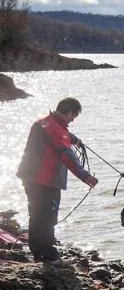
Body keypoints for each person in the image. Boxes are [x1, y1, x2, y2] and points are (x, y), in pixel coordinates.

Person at [16, 97, 98, 264]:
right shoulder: (58, 130)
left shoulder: (45, 122)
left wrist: (74, 139)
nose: (72, 120)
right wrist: (85, 176)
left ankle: (38, 252)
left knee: (36, 214)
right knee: (48, 217)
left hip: (29, 178)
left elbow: (61, 133)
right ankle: (50, 256)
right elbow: (68, 155)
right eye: (73, 117)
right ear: (68, 113)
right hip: (45, 180)